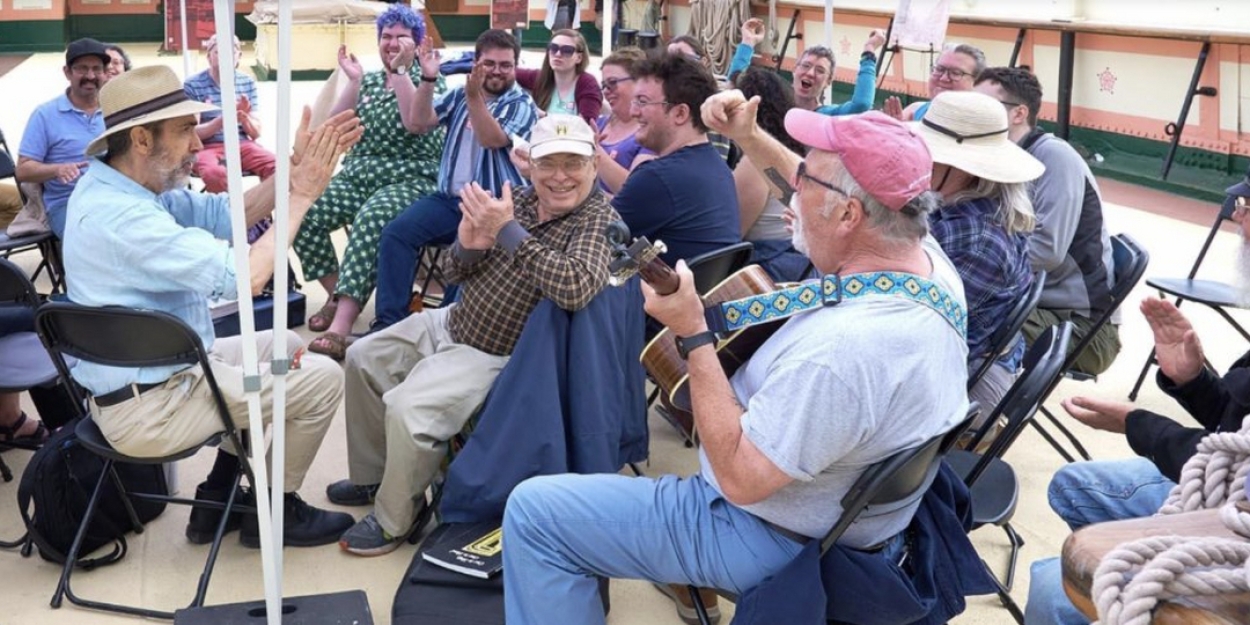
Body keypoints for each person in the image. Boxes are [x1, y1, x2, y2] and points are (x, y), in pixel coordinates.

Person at [502, 96, 969, 625]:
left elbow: (739, 479)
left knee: (535, 513)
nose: (792, 196)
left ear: (847, 214)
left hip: (770, 534)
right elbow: (822, 186)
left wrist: (694, 336)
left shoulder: (845, 353)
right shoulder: (923, 259)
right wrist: (748, 134)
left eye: (807, 185)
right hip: (852, 521)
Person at [62, 65, 364, 548]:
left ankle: (218, 496)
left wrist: (291, 169)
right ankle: (275, 510)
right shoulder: (120, 218)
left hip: (166, 378)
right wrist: (304, 193)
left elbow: (231, 214)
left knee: (283, 344)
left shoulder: (119, 187)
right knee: (323, 378)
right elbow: (248, 276)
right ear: (141, 139)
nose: (199, 145)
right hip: (155, 409)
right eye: (185, 130)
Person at [330, 115, 619, 556]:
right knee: (363, 355)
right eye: (548, 164)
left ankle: (394, 520)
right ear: (530, 167)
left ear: (594, 165)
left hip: (499, 354)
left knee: (409, 410)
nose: (560, 177)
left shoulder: (597, 219)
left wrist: (506, 230)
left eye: (573, 163)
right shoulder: (515, 200)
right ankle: (375, 476)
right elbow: (452, 271)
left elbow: (575, 286)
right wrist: (467, 245)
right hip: (454, 320)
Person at [295, 4, 447, 360]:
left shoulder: (432, 79)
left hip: (410, 178)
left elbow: (415, 123)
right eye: (386, 37)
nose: (392, 43)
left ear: (418, 43)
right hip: (359, 174)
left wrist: (401, 74)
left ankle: (341, 327)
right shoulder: (372, 80)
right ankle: (338, 296)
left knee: (371, 217)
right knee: (303, 211)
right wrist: (354, 81)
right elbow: (336, 125)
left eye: (402, 37)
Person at [371, 29, 538, 331]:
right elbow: (419, 122)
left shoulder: (521, 104)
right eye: (489, 63)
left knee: (464, 261)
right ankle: (388, 326)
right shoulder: (460, 94)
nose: (498, 71)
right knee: (396, 233)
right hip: (448, 201)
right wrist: (428, 79)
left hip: (491, 209)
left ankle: (444, 330)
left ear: (516, 66)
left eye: (506, 65)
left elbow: (491, 138)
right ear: (475, 63)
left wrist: (474, 95)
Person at [975, 66, 1119, 376]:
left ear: (1018, 114)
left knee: (961, 316)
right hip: (1031, 304)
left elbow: (1047, 250)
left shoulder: (1054, 158)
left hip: (1082, 328)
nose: (974, 113)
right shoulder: (999, 158)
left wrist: (980, 267)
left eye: (985, 106)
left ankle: (975, 420)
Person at [913, 90, 1039, 415]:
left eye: (927, 151)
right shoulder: (957, 207)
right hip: (957, 358)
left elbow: (927, 336)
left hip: (964, 382)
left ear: (963, 169)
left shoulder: (977, 238)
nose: (916, 157)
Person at [609, 53, 739, 267]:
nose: (633, 111)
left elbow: (593, 239)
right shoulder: (717, 168)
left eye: (642, 101)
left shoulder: (657, 178)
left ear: (680, 113)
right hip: (698, 295)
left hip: (657, 298)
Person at [17, 38, 110, 238]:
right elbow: (23, 170)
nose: (91, 76)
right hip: (68, 204)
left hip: (114, 198)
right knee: (96, 242)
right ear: (67, 72)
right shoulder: (45, 114)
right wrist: (57, 169)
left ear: (105, 73)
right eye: (82, 69)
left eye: (97, 69)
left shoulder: (116, 109)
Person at [732, 68, 811, 282]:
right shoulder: (793, 152)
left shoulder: (754, 163)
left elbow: (732, 234)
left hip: (769, 268)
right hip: (798, 264)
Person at [727, 19, 886, 116]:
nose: (810, 73)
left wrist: (869, 50)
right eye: (806, 66)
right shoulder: (773, 101)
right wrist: (748, 42)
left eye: (820, 70)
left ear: (828, 82)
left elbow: (861, 105)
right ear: (795, 70)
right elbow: (735, 85)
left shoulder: (826, 115)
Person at [183, 34, 278, 193]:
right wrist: (224, 119)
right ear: (208, 57)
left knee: (278, 168)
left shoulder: (247, 82)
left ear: (239, 56)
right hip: (206, 147)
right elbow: (192, 133)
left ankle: (260, 211)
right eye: (219, 52)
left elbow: (256, 133)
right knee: (216, 175)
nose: (226, 57)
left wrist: (244, 117)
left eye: (232, 52)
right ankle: (228, 214)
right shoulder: (193, 84)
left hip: (242, 144)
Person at [591, 47, 655, 194]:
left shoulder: (651, 133)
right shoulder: (598, 125)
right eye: (604, 85)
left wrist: (596, 152)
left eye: (612, 82)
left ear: (638, 81)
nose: (606, 91)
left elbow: (633, 191)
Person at [515, 29, 601, 124]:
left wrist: (545, 116)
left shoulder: (587, 83)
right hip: (540, 137)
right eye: (553, 48)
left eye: (567, 50)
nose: (558, 54)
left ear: (579, 58)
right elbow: (508, 73)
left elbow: (586, 125)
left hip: (572, 138)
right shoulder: (541, 77)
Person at [884, 42, 985, 122]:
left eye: (956, 73)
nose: (944, 78)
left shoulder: (979, 124)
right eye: (939, 69)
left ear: (976, 82)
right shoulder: (916, 110)